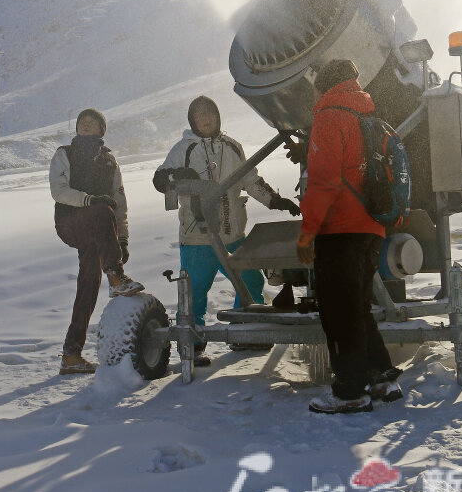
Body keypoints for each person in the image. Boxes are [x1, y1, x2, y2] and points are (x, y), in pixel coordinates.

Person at [152, 96, 301, 365]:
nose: (206, 118)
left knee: (251, 282)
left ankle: (246, 333)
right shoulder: (183, 149)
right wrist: (176, 176)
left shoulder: (232, 147)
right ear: (192, 120)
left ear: (218, 116)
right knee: (195, 290)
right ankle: (193, 346)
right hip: (197, 237)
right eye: (199, 114)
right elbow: (161, 179)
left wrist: (275, 200)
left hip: (233, 236)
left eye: (210, 112)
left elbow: (250, 180)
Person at [296, 59, 401, 414]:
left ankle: (349, 390)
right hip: (371, 229)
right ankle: (383, 377)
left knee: (339, 313)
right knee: (357, 307)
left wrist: (307, 233)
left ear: (325, 86)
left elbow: (324, 182)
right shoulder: (368, 116)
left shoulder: (329, 117)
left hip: (339, 229)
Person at [51, 107, 144, 375]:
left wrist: (122, 240)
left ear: (102, 129)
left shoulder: (109, 161)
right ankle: (116, 277)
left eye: (92, 122)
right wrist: (89, 201)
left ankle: (71, 355)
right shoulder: (64, 154)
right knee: (102, 209)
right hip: (71, 222)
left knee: (88, 285)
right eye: (82, 122)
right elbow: (58, 191)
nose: (86, 125)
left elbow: (120, 202)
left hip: (99, 230)